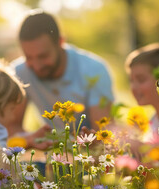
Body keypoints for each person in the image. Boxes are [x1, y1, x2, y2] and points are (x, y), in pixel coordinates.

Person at [10, 10, 115, 142]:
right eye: (28, 57)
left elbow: (103, 132)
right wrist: (32, 140)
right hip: (52, 151)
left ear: (60, 42)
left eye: (43, 56)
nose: (36, 66)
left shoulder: (94, 70)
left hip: (88, 152)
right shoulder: (18, 73)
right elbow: (10, 127)